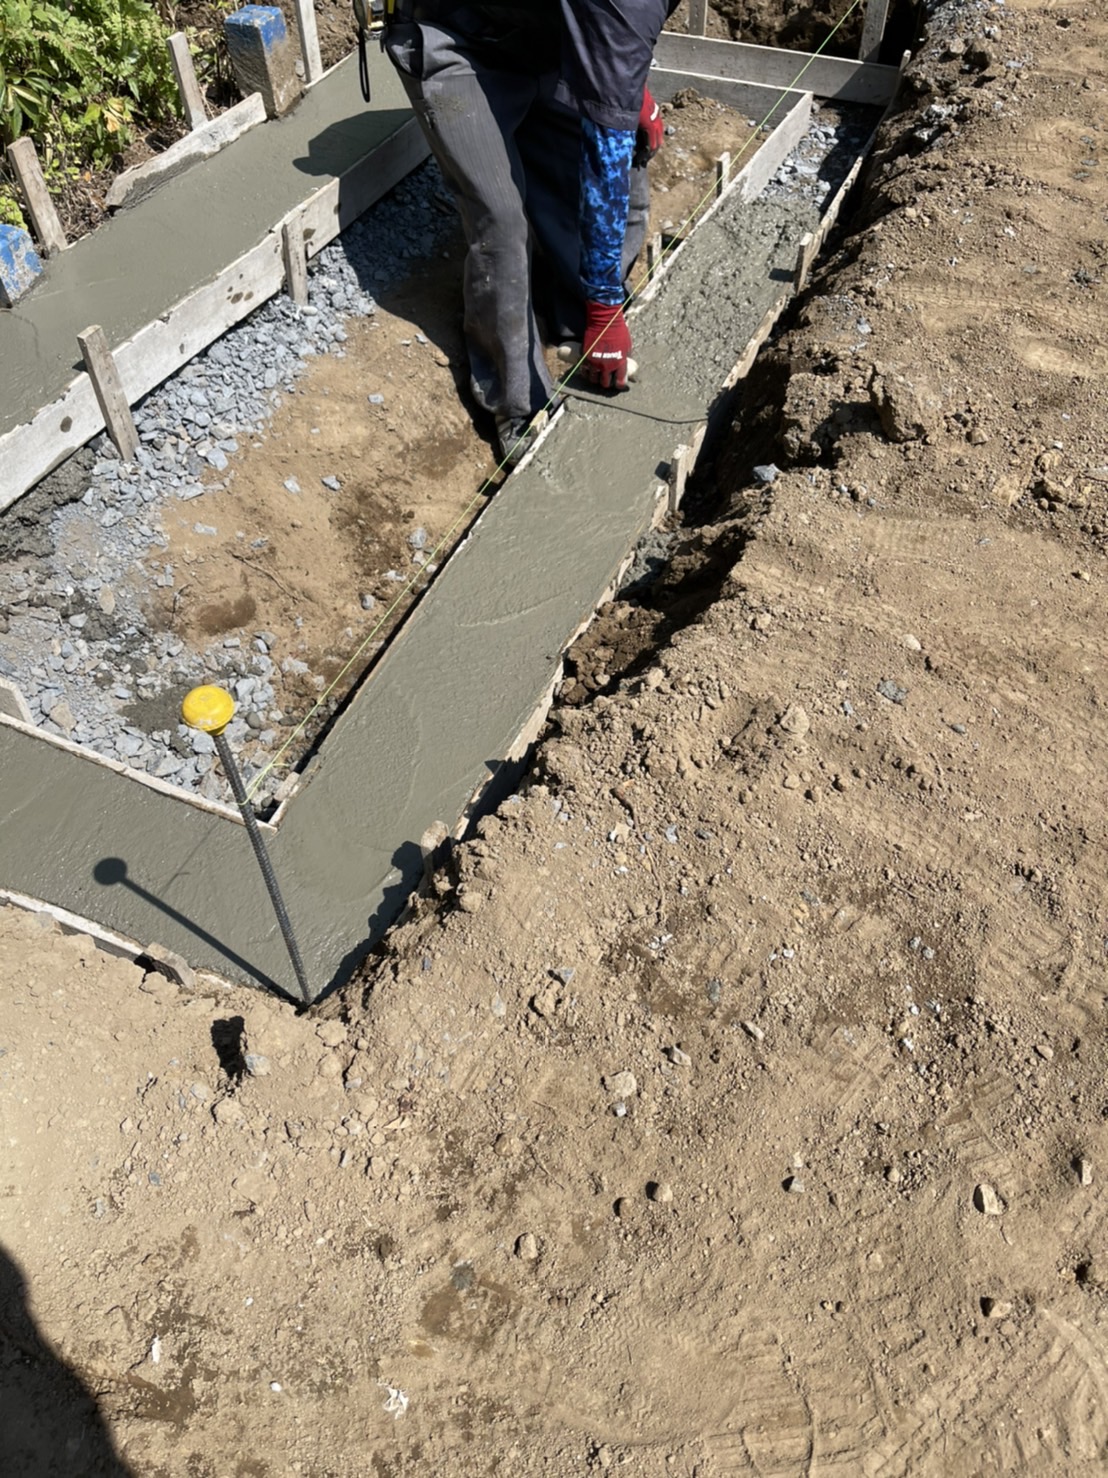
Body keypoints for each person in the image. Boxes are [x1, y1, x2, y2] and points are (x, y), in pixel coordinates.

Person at [382, 1, 679, 464]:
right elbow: (604, 157)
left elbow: (612, 31)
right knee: (500, 221)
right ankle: (519, 402)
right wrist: (605, 309)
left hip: (544, 44)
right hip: (455, 37)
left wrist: (627, 88)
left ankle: (573, 313)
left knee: (617, 171)